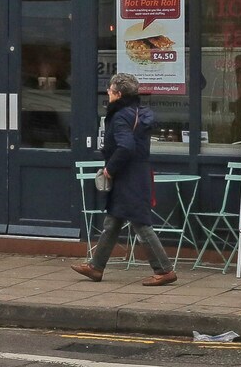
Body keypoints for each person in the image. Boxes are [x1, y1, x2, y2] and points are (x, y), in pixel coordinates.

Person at [69, 73, 177, 286]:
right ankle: (96, 267)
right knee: (113, 221)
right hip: (138, 173)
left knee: (141, 223)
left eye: (110, 90)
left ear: (118, 94)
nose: (107, 93)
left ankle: (164, 270)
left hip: (128, 176)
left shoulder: (120, 116)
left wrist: (110, 168)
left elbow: (126, 146)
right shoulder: (139, 112)